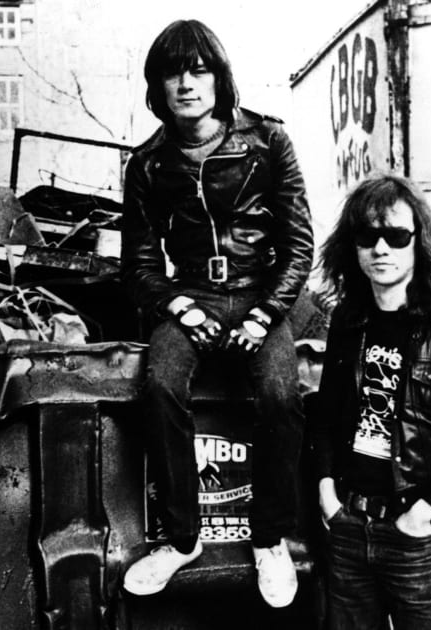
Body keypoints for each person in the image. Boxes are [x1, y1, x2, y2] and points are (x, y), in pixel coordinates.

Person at [119, 19, 314, 608]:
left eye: (198, 70)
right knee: (159, 385)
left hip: (260, 294)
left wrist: (265, 315)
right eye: (172, 73)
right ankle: (182, 540)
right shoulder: (147, 163)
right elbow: (139, 265)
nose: (186, 83)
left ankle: (270, 540)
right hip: (191, 295)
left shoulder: (268, 141)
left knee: (281, 395)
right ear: (157, 86)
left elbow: (299, 245)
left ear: (219, 78)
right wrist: (178, 305)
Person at [310, 174, 431, 629]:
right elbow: (325, 415)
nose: (381, 249)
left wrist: (426, 512)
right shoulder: (348, 322)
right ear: (352, 246)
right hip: (349, 526)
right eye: (368, 236)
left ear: (420, 242)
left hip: (416, 536)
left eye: (397, 236)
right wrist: (326, 493)